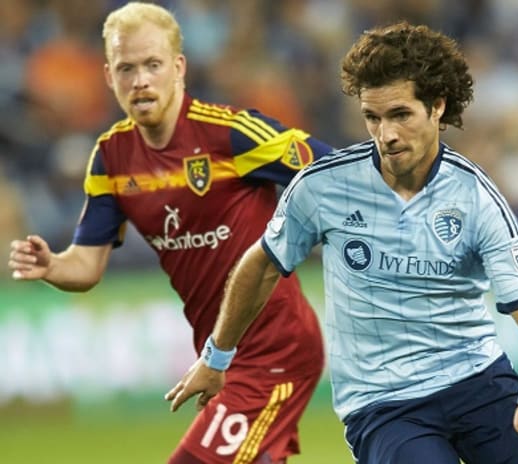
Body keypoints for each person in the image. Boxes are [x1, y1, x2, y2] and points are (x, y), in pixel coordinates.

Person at [167, 21, 518, 464]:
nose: (385, 135)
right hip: (385, 403)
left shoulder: (475, 196)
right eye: (373, 117)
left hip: (478, 378)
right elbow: (261, 265)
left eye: (400, 115)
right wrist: (217, 356)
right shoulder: (322, 187)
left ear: (437, 107)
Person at [7, 3, 331, 463]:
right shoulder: (112, 157)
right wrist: (53, 265)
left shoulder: (231, 134)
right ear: (108, 76)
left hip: (274, 350)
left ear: (178, 67)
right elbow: (87, 264)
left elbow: (334, 172)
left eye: (152, 65)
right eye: (126, 68)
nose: (140, 80)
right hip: (220, 356)